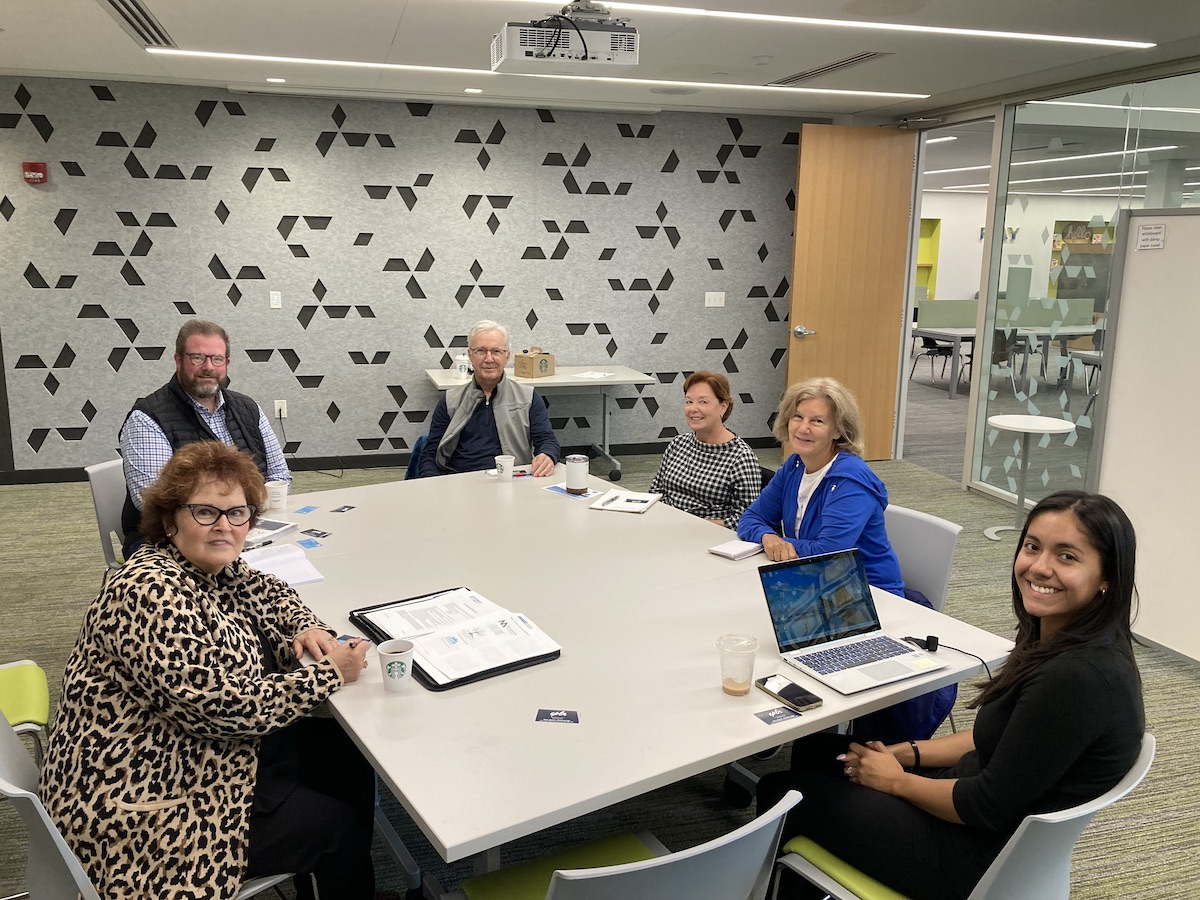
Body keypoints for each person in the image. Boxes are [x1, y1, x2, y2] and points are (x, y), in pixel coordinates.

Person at [756, 491, 1145, 900]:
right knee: (818, 753)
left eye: (1067, 556)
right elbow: (991, 739)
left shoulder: (1077, 677)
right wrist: (905, 753)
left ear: (1107, 576)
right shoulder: (1062, 637)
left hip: (978, 855)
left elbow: (986, 805)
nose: (1040, 567)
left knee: (780, 791)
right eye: (1033, 547)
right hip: (981, 807)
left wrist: (897, 782)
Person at [40, 442, 377, 900]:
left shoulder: (205, 568)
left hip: (188, 750)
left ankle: (337, 873)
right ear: (169, 520)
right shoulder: (148, 593)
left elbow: (268, 588)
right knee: (337, 826)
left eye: (237, 513)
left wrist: (306, 625)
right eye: (205, 512)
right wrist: (329, 673)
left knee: (345, 751)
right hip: (147, 799)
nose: (225, 526)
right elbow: (223, 707)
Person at [119, 319, 290, 556]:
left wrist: (243, 519)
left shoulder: (248, 408)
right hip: (167, 540)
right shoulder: (147, 418)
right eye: (197, 357)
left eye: (217, 359)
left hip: (246, 530)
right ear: (178, 360)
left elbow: (279, 475)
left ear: (227, 364)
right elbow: (154, 502)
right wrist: (231, 519)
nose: (208, 367)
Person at [737, 377, 903, 596]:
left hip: (865, 594)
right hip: (813, 582)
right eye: (798, 417)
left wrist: (778, 542)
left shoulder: (850, 482)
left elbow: (827, 553)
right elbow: (750, 519)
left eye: (817, 421)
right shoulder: (795, 465)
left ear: (837, 431)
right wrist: (768, 538)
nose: (803, 428)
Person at [420, 319, 560, 477]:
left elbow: (547, 440)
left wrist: (547, 455)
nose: (488, 359)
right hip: (461, 481)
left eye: (496, 351)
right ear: (470, 355)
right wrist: (430, 484)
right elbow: (430, 454)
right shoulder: (450, 400)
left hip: (511, 479)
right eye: (481, 351)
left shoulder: (528, 398)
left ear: (507, 356)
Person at [648, 371, 761, 528]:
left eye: (703, 402)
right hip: (666, 527)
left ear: (723, 407)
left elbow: (747, 519)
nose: (693, 409)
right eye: (689, 402)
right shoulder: (677, 444)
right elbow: (656, 492)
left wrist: (695, 526)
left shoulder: (740, 458)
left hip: (706, 536)